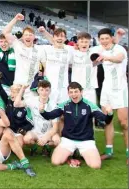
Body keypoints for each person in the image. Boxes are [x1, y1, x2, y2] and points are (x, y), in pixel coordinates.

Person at [40, 82, 114, 169]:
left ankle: (80, 154)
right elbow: (50, 115)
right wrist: (42, 111)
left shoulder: (89, 105)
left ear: (81, 92)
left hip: (86, 141)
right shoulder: (64, 105)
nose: (73, 94)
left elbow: (105, 120)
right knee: (55, 162)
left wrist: (110, 113)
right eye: (71, 92)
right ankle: (70, 158)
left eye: (76, 91)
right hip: (68, 140)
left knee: (96, 166)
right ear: (68, 93)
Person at [91, 28, 128, 163]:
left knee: (124, 123)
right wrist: (96, 60)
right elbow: (94, 62)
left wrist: (105, 57)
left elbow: (118, 59)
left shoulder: (120, 49)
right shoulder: (100, 50)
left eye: (107, 38)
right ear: (99, 40)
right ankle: (109, 151)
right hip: (106, 90)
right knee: (108, 121)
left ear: (112, 38)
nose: (104, 41)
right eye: (102, 39)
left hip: (120, 89)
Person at [2, 14, 43, 99]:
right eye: (26, 35)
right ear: (23, 37)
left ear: (34, 37)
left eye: (30, 35)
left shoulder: (40, 49)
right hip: (18, 85)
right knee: (16, 109)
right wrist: (15, 19)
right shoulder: (18, 45)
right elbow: (5, 32)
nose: (28, 37)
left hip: (32, 87)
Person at [14, 81, 60, 156]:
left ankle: (47, 147)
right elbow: (16, 104)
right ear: (38, 90)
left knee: (57, 141)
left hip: (48, 131)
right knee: (26, 139)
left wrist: (46, 137)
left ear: (50, 91)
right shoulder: (33, 100)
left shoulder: (54, 105)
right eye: (42, 90)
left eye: (46, 90)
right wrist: (22, 89)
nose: (44, 92)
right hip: (35, 131)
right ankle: (34, 147)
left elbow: (55, 128)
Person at [38, 27, 74, 105]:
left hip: (63, 87)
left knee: (63, 112)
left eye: (62, 36)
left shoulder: (70, 50)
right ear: (53, 38)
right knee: (49, 109)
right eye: (57, 36)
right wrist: (44, 32)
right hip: (49, 87)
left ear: (65, 38)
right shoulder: (46, 49)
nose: (60, 38)